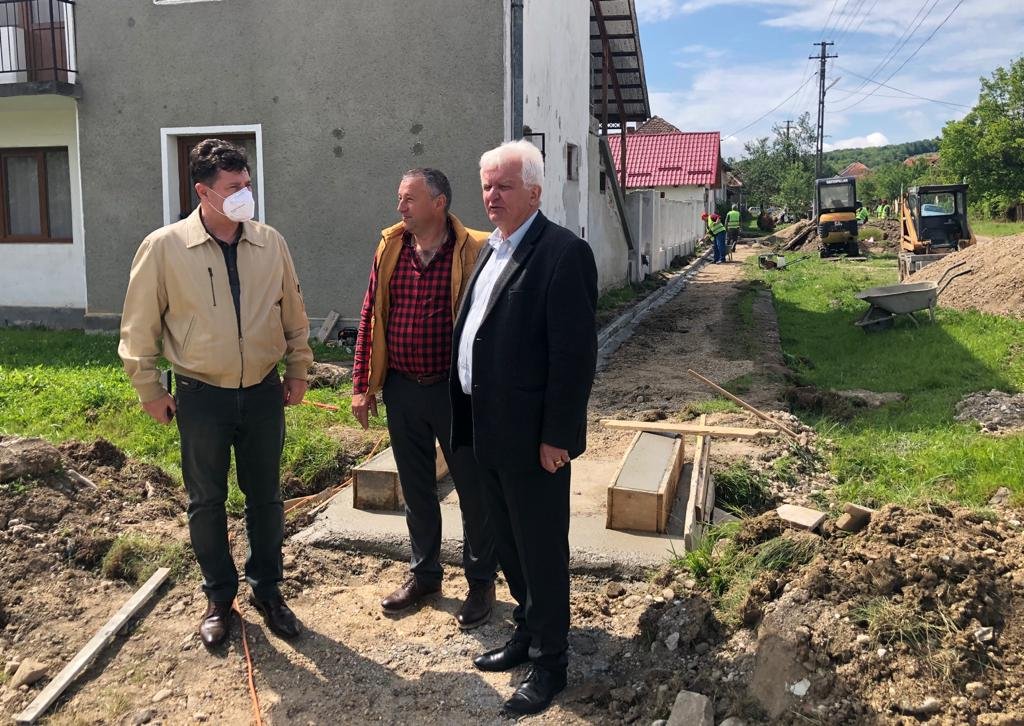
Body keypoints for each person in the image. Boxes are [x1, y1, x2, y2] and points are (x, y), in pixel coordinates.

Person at [119, 139, 312, 647]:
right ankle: (219, 597)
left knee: (266, 497)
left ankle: (268, 591)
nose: (245, 194)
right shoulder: (164, 247)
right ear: (203, 193)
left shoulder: (270, 242)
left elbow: (293, 311)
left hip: (263, 391)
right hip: (201, 394)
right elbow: (139, 326)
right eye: (233, 187)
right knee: (206, 500)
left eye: (247, 183)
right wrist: (148, 387)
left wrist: (298, 368)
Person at [451, 140, 597, 716]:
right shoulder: (491, 249)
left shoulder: (562, 253)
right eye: (487, 185)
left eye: (504, 186)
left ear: (534, 192)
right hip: (485, 428)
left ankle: (551, 662)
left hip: (533, 438)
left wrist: (557, 436)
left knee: (540, 550)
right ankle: (526, 631)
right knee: (508, 544)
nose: (492, 196)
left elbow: (574, 357)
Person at [351, 168, 497, 628]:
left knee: (473, 492)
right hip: (402, 388)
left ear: (439, 202)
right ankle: (425, 575)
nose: (400, 207)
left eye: (409, 199)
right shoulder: (390, 247)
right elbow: (371, 315)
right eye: (400, 198)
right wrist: (362, 385)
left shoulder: (475, 248)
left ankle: (481, 583)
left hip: (455, 393)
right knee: (416, 490)